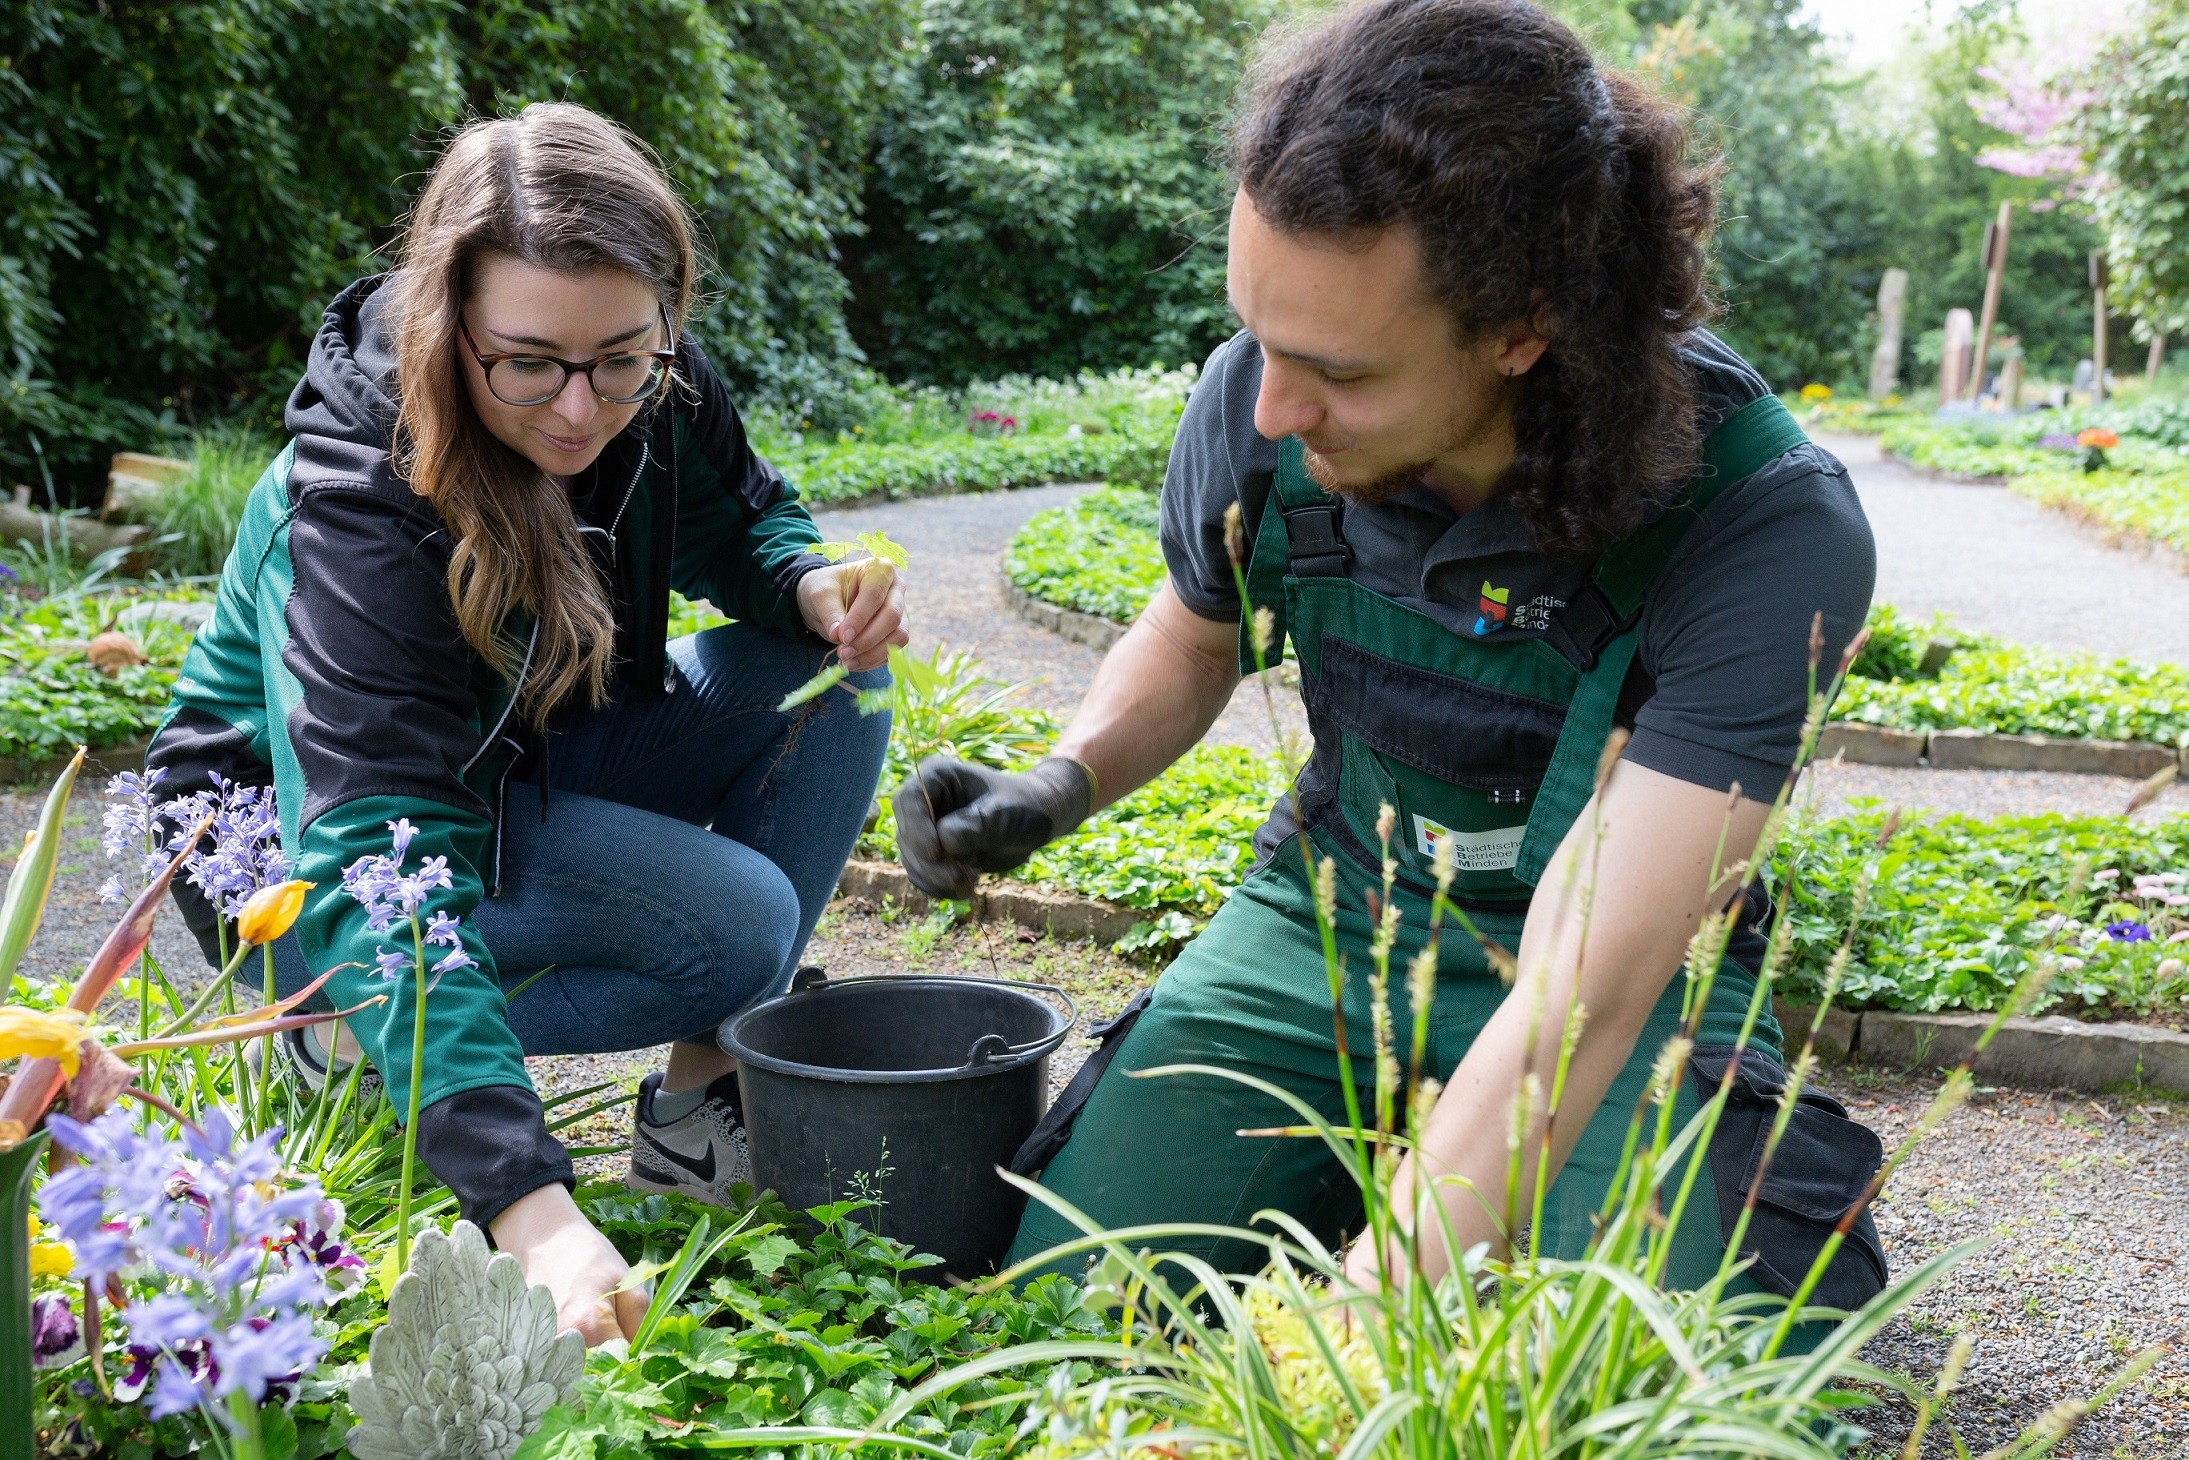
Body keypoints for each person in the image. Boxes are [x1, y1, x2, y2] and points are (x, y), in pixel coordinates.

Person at [896, 0, 1888, 1308]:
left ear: (1521, 327)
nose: (1268, 408)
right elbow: (1198, 636)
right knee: (1070, 1302)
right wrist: (1060, 781)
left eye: (1337, 374)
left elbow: (1585, 993)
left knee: (1667, 1373)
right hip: (1338, 911)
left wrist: (1355, 1331)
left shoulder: (1762, 523)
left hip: (1614, 977)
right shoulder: (1266, 402)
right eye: (1257, 334)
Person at [146, 103, 905, 1343]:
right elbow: (373, 839)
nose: (577, 408)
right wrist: (532, 1212)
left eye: (622, 357)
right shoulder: (354, 502)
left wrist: (811, 584)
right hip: (302, 860)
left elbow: (747, 515)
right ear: (453, 327)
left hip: (511, 762)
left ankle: (693, 1112)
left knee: (832, 673)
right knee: (737, 925)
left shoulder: (640, 378)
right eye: (529, 364)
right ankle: (339, 1029)